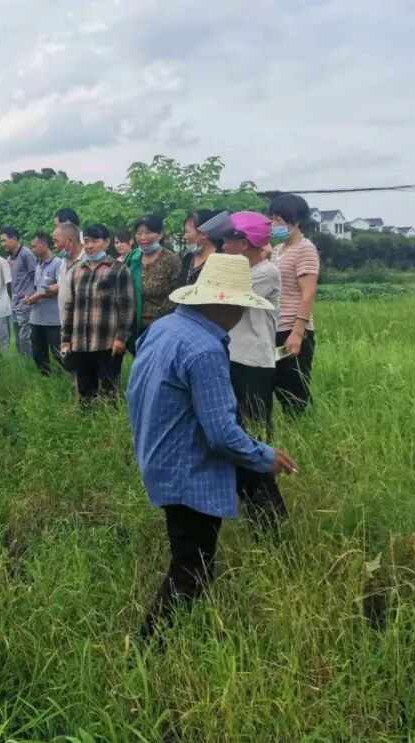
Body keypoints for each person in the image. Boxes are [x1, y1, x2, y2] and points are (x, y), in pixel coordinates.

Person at [127, 254, 298, 639]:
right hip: (188, 470)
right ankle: (147, 649)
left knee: (255, 487)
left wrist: (255, 457)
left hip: (162, 454)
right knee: (192, 570)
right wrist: (265, 456)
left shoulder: (164, 328)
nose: (240, 315)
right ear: (222, 304)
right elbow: (221, 432)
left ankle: (285, 555)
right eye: (239, 306)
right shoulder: (204, 349)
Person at [220, 212, 287, 531]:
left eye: (227, 240)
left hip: (252, 366)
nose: (222, 246)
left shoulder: (266, 272)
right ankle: (255, 512)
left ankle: (270, 520)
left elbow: (222, 295)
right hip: (233, 360)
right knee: (236, 436)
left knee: (253, 439)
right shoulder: (247, 268)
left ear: (243, 243)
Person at [60, 224, 134, 405]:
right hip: (81, 343)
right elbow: (70, 306)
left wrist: (121, 338)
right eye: (86, 241)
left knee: (109, 392)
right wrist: (66, 337)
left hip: (106, 342)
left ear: (106, 242)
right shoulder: (77, 271)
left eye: (95, 241)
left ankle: (108, 425)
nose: (90, 245)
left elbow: (127, 306)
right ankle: (87, 424)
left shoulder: (118, 270)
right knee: (85, 393)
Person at [268, 194, 320, 413]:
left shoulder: (305, 248)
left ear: (295, 221)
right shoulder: (278, 250)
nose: (273, 224)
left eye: (278, 219)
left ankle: (303, 433)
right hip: (275, 327)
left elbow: (308, 293)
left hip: (292, 328)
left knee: (294, 391)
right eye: (271, 218)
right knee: (278, 385)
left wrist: (298, 332)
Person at [135, 213, 182, 336]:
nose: (142, 237)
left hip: (161, 326)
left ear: (160, 234)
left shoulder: (171, 259)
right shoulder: (134, 258)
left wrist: (158, 321)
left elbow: (176, 293)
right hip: (134, 325)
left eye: (148, 233)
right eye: (139, 233)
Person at [24, 231, 64, 375]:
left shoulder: (58, 263)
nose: (33, 249)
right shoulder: (38, 265)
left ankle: (71, 377)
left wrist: (39, 296)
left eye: (34, 246)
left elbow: (60, 287)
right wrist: (31, 296)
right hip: (36, 317)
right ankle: (46, 378)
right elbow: (39, 288)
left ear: (44, 245)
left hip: (53, 319)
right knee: (38, 352)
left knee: (59, 352)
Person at [1, 226, 38, 358]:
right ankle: (24, 363)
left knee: (26, 337)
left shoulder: (26, 254)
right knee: (18, 338)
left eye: (4, 240)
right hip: (15, 304)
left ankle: (31, 364)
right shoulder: (11, 258)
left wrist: (33, 297)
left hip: (26, 303)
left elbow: (36, 277)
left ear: (14, 239)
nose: (2, 244)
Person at [54, 221, 85, 333]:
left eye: (56, 241)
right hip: (66, 324)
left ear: (70, 241)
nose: (54, 246)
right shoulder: (64, 261)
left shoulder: (87, 261)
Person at [182, 210, 223, 285]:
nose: (184, 236)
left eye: (187, 232)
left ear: (204, 234)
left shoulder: (221, 260)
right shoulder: (188, 258)